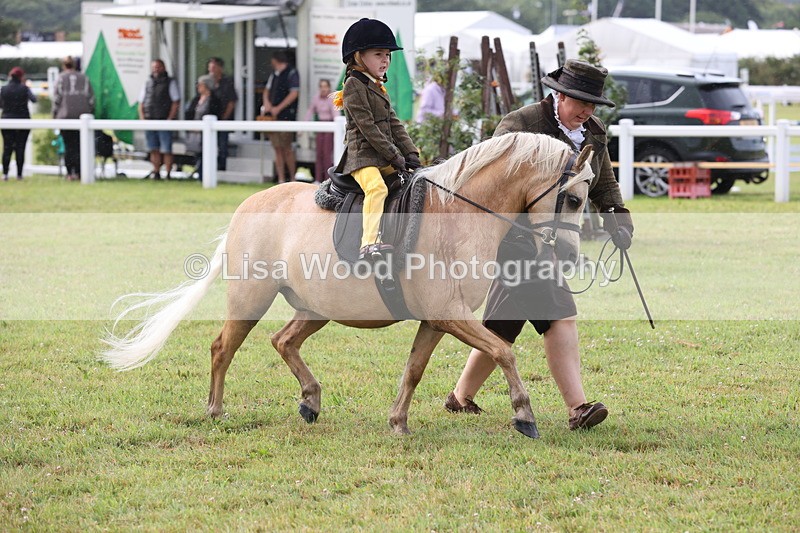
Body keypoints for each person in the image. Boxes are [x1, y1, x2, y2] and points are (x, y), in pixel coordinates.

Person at [444, 59, 635, 431]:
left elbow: (602, 182)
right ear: (559, 95)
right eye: (580, 101)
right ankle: (578, 407)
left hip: (551, 239)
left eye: (593, 104)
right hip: (516, 240)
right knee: (560, 313)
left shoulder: (592, 132)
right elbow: (492, 180)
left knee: (502, 325)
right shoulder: (521, 123)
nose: (587, 111)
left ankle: (460, 397)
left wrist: (617, 217)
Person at [333, 18, 421, 260]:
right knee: (377, 188)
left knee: (414, 184)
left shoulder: (377, 86)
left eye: (388, 55)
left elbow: (393, 123)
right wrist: (395, 155)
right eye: (378, 54)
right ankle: (368, 243)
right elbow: (368, 129)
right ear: (359, 57)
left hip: (382, 154)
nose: (385, 60)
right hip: (361, 157)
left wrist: (411, 152)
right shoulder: (353, 85)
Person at [52, 56, 94, 181]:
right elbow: (91, 99)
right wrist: (90, 111)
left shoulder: (60, 78)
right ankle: (81, 171)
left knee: (68, 146)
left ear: (64, 66)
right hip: (82, 116)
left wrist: (54, 116)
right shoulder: (84, 78)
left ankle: (70, 173)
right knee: (80, 146)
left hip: (65, 117)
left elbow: (56, 99)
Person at [261, 50, 300, 184]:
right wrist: (267, 104)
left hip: (286, 116)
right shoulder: (274, 75)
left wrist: (278, 108)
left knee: (287, 148)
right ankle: (281, 178)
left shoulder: (291, 73)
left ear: (275, 61)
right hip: (273, 117)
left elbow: (294, 93)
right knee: (277, 148)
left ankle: (293, 178)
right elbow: (266, 90)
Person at [138, 59, 180, 180]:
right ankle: (156, 172)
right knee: (153, 148)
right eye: (154, 67)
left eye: (158, 67)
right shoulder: (148, 82)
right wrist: (142, 118)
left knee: (166, 148)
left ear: (163, 67)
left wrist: (170, 118)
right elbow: (141, 101)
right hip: (150, 119)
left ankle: (168, 173)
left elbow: (175, 101)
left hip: (164, 119)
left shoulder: (170, 82)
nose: (156, 69)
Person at [0, 67, 37, 181]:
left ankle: (5, 173)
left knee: (7, 148)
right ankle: (19, 174)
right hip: (23, 121)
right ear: (21, 77)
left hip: (7, 120)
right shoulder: (24, 88)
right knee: (20, 148)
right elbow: (34, 99)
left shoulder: (4, 89)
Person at [185, 75, 222, 178]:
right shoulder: (196, 99)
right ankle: (198, 173)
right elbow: (189, 112)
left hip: (206, 132)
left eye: (200, 85)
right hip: (194, 132)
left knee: (205, 154)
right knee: (197, 153)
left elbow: (215, 113)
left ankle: (204, 176)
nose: (198, 87)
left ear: (206, 86)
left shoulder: (214, 100)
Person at [304, 78, 338, 182]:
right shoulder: (316, 98)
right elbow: (310, 111)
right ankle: (318, 179)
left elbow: (335, 113)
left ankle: (328, 179)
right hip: (320, 126)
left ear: (329, 88)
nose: (323, 89)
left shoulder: (332, 99)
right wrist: (303, 126)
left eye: (325, 87)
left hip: (329, 126)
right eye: (321, 87)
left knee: (327, 154)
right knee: (318, 154)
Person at [207, 57, 238, 171]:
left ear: (220, 68)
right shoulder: (208, 82)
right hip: (210, 118)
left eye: (214, 67)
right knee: (209, 145)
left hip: (222, 118)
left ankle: (222, 166)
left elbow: (231, 101)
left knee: (222, 144)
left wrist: (225, 117)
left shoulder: (227, 83)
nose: (211, 70)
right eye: (210, 68)